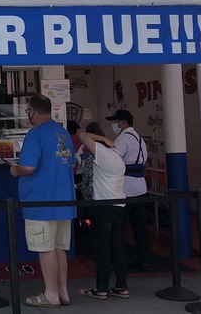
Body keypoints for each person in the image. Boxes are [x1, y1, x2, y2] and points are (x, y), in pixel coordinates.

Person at [9, 94, 76, 308]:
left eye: (28, 111)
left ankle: (50, 294)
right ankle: (63, 292)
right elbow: (71, 163)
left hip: (41, 202)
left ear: (34, 111)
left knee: (45, 248)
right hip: (64, 201)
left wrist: (15, 170)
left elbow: (28, 167)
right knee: (59, 248)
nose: (28, 114)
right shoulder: (63, 133)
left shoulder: (35, 134)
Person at [76, 127, 130, 300]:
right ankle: (121, 286)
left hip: (103, 207)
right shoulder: (117, 156)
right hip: (119, 205)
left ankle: (101, 288)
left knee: (102, 248)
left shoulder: (102, 154)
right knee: (117, 246)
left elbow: (82, 135)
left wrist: (103, 139)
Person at [107, 109, 152, 270]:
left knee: (118, 227)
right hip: (140, 187)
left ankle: (119, 260)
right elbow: (145, 164)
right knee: (140, 227)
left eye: (115, 121)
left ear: (123, 122)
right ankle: (144, 258)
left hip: (126, 188)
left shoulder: (123, 139)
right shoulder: (140, 139)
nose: (113, 125)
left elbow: (112, 160)